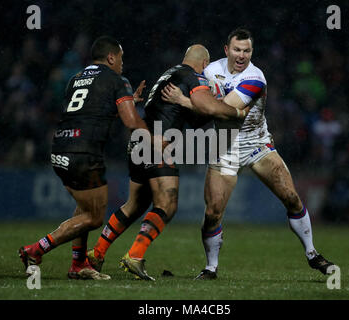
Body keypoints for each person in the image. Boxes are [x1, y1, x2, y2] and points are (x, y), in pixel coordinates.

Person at [161, 28, 335, 280]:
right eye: (237, 50)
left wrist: (184, 100)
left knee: (291, 198)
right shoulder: (210, 71)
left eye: (246, 50)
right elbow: (197, 101)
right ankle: (211, 268)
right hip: (224, 147)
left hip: (257, 145)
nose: (241, 55)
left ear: (251, 52)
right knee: (212, 212)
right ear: (226, 50)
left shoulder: (256, 78)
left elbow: (224, 110)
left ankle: (312, 253)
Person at [87, 44, 248, 280]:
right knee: (168, 204)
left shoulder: (170, 74)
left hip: (139, 142)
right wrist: (236, 112)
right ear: (204, 64)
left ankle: (97, 253)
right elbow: (209, 107)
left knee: (134, 206)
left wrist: (186, 103)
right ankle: (135, 255)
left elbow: (193, 118)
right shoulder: (190, 76)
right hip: (158, 145)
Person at [18, 36, 150, 280]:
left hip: (60, 148)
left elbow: (89, 110)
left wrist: (127, 103)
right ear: (111, 57)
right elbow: (131, 122)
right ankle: (35, 250)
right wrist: (153, 138)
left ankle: (78, 264)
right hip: (84, 152)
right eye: (120, 58)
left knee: (84, 207)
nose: (122, 63)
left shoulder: (75, 79)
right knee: (94, 217)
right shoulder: (117, 80)